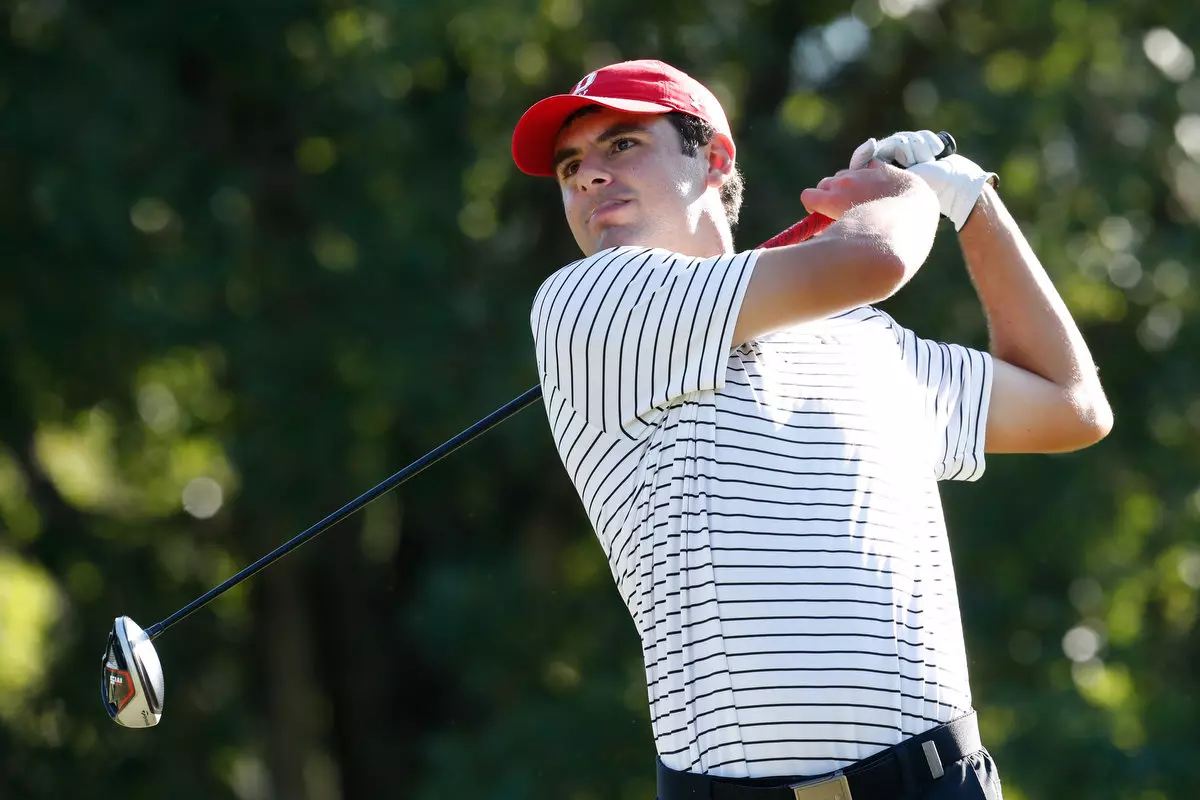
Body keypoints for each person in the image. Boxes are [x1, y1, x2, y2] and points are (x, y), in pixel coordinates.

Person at [511, 59, 1112, 800]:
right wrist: (906, 193)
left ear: (713, 158)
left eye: (622, 145)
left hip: (939, 782)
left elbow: (1071, 405)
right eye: (571, 165)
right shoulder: (589, 304)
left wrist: (973, 202)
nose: (588, 176)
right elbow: (878, 254)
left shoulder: (869, 341)